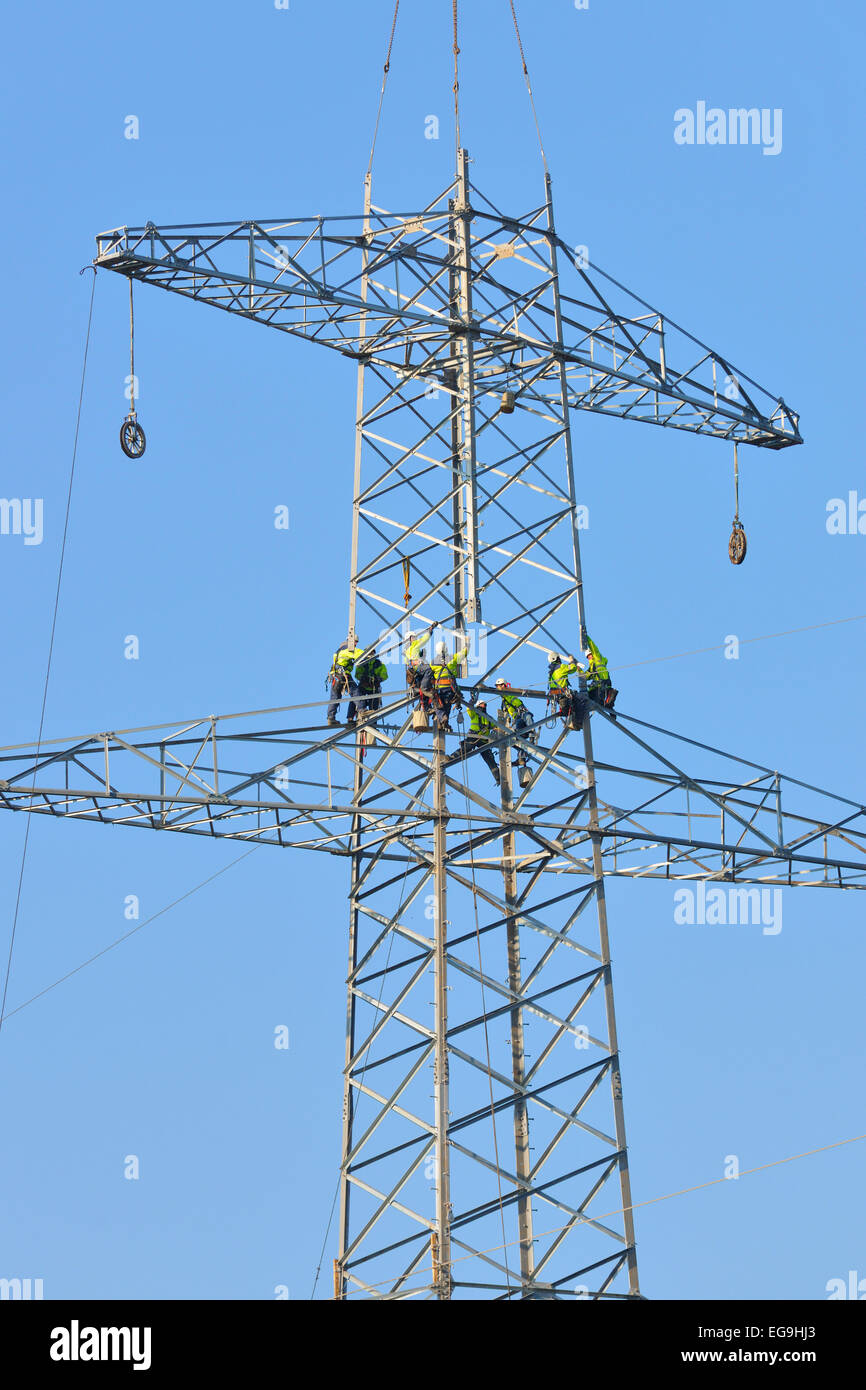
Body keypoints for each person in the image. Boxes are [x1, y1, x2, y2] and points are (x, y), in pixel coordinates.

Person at [448, 700, 500, 784]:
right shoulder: (474, 713)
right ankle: (451, 757)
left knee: (490, 759)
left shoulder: (488, 718)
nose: (485, 706)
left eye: (485, 704)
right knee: (466, 748)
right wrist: (472, 700)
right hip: (473, 737)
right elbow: (469, 708)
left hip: (483, 741)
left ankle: (498, 778)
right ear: (479, 705)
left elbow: (496, 727)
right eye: (483, 704)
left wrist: (504, 731)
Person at [426, 639, 467, 731]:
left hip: (440, 688)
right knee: (447, 704)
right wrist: (467, 644)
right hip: (451, 688)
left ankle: (443, 718)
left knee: (437, 704)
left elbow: (428, 674)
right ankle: (445, 722)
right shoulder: (453, 658)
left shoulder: (432, 662)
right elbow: (464, 653)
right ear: (447, 649)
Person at [495, 678, 534, 769]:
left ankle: (532, 735)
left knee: (528, 717)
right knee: (514, 740)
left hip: (523, 715)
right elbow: (505, 715)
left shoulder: (510, 694)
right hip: (518, 721)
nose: (498, 688)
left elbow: (518, 701)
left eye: (498, 686)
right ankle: (521, 757)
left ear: (503, 685)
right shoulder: (504, 702)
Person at [547, 651, 587, 730]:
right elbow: (573, 668)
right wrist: (572, 661)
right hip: (562, 693)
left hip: (556, 695)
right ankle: (577, 723)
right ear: (556, 658)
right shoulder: (561, 667)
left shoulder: (551, 672)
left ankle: (571, 720)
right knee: (581, 700)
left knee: (571, 705)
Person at [326, 639, 363, 725]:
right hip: (343, 676)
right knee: (355, 692)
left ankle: (331, 718)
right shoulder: (346, 649)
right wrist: (367, 655)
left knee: (335, 698)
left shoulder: (337, 653)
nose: (355, 645)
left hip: (336, 677)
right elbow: (357, 653)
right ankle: (362, 710)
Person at [584, 635, 617, 715]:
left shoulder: (598, 659)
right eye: (588, 657)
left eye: (590, 655)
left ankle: (609, 708)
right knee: (583, 700)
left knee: (598, 702)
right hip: (597, 688)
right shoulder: (592, 667)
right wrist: (579, 670)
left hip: (601, 687)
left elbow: (592, 646)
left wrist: (586, 637)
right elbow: (586, 676)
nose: (589, 658)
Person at [406, 626, 434, 719]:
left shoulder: (408, 650)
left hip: (415, 671)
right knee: (429, 670)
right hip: (418, 668)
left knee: (425, 691)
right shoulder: (414, 645)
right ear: (410, 638)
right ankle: (424, 687)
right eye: (413, 637)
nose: (415, 638)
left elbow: (409, 662)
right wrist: (430, 631)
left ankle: (427, 708)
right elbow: (424, 639)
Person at [354, 649, 388, 715]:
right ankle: (355, 717)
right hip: (363, 686)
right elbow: (357, 674)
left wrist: (377, 679)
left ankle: (372, 721)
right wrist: (363, 678)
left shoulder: (379, 664)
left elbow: (384, 675)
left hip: (374, 688)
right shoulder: (361, 663)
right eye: (369, 652)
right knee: (357, 700)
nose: (370, 654)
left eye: (371, 652)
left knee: (374, 708)